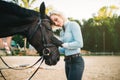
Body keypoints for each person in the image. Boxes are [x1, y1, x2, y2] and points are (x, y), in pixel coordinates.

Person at [49, 11, 84, 80]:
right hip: (67, 62)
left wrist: (62, 44)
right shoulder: (62, 32)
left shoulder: (73, 24)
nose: (56, 23)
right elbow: (65, 50)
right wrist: (51, 49)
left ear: (61, 16)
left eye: (56, 19)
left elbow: (80, 43)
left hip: (76, 61)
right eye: (54, 23)